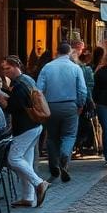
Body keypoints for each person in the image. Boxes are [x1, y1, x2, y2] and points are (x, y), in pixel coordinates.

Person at [0, 56, 49, 209]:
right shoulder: (27, 79)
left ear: (16, 66)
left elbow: (12, 108)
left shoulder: (19, 84)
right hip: (34, 125)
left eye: (8, 69)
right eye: (4, 70)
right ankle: (28, 197)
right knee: (25, 162)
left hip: (25, 127)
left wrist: (1, 99)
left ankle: (40, 183)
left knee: (14, 159)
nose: (6, 73)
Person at [37, 42, 88, 182]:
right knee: (69, 135)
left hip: (51, 106)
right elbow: (82, 90)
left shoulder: (47, 67)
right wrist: (80, 104)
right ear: (69, 52)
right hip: (70, 105)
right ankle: (65, 155)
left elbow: (38, 90)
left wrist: (41, 107)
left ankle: (54, 166)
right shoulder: (75, 68)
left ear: (56, 51)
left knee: (52, 137)